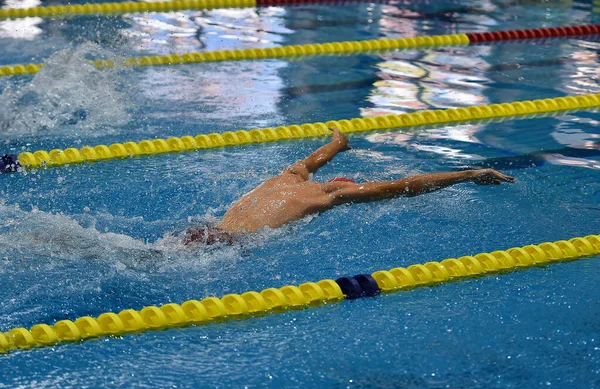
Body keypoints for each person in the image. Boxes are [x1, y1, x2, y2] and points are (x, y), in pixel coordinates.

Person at [184, 128, 515, 245]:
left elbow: (316, 158)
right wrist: (467, 174)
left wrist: (339, 142)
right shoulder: (331, 194)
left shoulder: (290, 175)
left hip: (210, 229)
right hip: (233, 244)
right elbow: (405, 186)